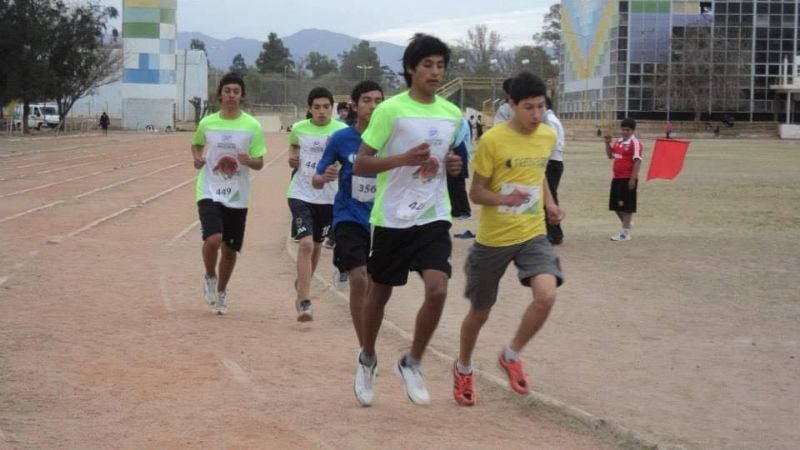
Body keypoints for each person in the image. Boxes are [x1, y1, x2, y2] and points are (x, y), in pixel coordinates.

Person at [352, 33, 463, 407]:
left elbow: (448, 159)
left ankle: (412, 361)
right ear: (411, 69)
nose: (435, 72)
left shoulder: (452, 114)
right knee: (379, 293)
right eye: (428, 65)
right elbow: (361, 163)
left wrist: (453, 165)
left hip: (433, 214)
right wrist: (401, 160)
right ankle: (367, 358)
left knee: (438, 289)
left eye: (440, 65)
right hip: (393, 217)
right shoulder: (390, 111)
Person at [451, 71, 564, 407]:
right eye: (528, 107)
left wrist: (551, 204)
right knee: (480, 313)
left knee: (546, 295)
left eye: (541, 107)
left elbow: (539, 173)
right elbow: (476, 193)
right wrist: (504, 199)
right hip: (493, 240)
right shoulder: (492, 141)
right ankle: (463, 367)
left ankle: (511, 355)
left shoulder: (546, 135)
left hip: (532, 234)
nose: (536, 115)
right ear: (511, 105)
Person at [312, 80, 384, 350]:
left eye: (378, 101)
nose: (373, 106)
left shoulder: (391, 138)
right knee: (358, 278)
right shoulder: (342, 138)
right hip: (348, 216)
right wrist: (324, 176)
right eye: (367, 100)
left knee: (376, 287)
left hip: (380, 220)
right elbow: (317, 178)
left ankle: (369, 336)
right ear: (355, 105)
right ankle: (365, 348)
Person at [191, 72, 265, 315]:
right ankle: (210, 275)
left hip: (237, 193)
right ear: (220, 94)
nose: (231, 95)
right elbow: (196, 144)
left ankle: (221, 292)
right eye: (227, 90)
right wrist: (197, 158)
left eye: (236, 91)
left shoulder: (252, 126)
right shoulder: (208, 123)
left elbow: (259, 162)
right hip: (209, 188)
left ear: (242, 96)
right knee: (213, 239)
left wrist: (249, 160)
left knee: (230, 250)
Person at [287, 87, 348, 321]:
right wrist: (293, 157)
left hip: (329, 198)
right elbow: (293, 148)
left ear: (332, 108)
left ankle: (302, 283)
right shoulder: (299, 129)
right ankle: (304, 301)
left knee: (316, 245)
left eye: (326, 107)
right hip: (301, 193)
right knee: (305, 245)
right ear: (309, 109)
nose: (322, 111)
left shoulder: (342, 131)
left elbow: (348, 159)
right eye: (317, 107)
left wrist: (339, 169)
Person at [603, 117, 642, 241]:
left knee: (626, 207)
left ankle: (625, 233)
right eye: (623, 129)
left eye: (628, 130)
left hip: (627, 178)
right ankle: (627, 225)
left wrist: (633, 179)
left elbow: (637, 161)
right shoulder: (619, 141)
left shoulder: (635, 143)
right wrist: (607, 143)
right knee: (615, 205)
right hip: (617, 178)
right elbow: (610, 156)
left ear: (632, 131)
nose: (625, 132)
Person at [544, 97, 565, 245]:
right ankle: (552, 232)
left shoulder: (549, 120)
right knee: (548, 196)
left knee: (549, 198)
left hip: (551, 162)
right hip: (553, 161)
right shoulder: (551, 118)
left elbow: (551, 142)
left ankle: (555, 234)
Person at [447, 119, 472, 220]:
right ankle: (455, 211)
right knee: (451, 184)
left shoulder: (463, 123)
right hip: (452, 153)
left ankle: (465, 211)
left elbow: (456, 141)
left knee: (459, 184)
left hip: (460, 153)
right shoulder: (455, 122)